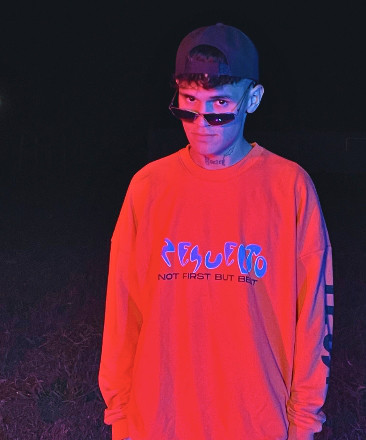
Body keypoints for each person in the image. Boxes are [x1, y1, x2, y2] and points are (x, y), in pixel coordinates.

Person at [99, 23, 334, 440]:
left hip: (257, 422)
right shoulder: (149, 187)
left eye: (220, 105)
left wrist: (305, 420)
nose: (201, 122)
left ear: (252, 99)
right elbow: (122, 310)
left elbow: (314, 317)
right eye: (189, 104)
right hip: (159, 421)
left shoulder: (289, 188)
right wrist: (120, 414)